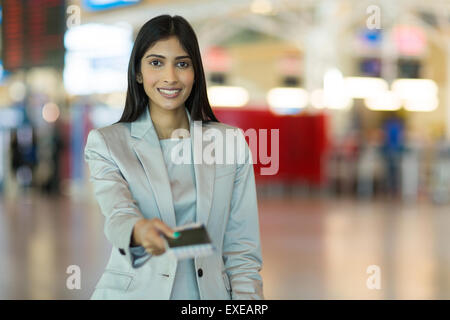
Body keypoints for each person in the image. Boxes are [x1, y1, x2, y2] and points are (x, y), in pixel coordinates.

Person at [84, 15, 263, 300]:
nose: (170, 77)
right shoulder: (107, 144)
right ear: (138, 73)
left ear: (195, 72)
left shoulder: (231, 143)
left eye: (182, 64)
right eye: (156, 63)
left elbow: (242, 249)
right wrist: (139, 230)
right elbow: (117, 212)